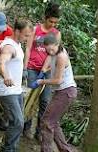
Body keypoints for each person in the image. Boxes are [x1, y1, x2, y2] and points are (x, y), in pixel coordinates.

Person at [29, 33, 77, 152]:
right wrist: (44, 69)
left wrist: (41, 81)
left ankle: (46, 149)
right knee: (53, 122)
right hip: (62, 91)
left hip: (66, 92)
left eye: (51, 49)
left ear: (57, 44)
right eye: (47, 50)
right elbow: (50, 58)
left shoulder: (61, 56)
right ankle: (65, 150)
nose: (50, 51)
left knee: (47, 122)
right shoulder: (55, 52)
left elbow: (58, 80)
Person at [23, 2, 62, 140]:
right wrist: (25, 67)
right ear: (45, 18)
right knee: (30, 98)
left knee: (45, 101)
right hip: (32, 68)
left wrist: (45, 70)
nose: (53, 24)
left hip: (47, 72)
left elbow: (53, 55)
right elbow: (28, 48)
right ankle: (25, 127)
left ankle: (39, 131)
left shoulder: (57, 34)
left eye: (55, 22)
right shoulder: (35, 29)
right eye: (51, 21)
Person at [0, 19, 32, 152]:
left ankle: (12, 148)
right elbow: (1, 63)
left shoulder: (17, 45)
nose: (27, 38)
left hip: (16, 90)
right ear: (17, 31)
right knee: (18, 123)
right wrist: (6, 76)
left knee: (17, 122)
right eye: (26, 35)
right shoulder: (9, 46)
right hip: (7, 91)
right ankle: (7, 149)